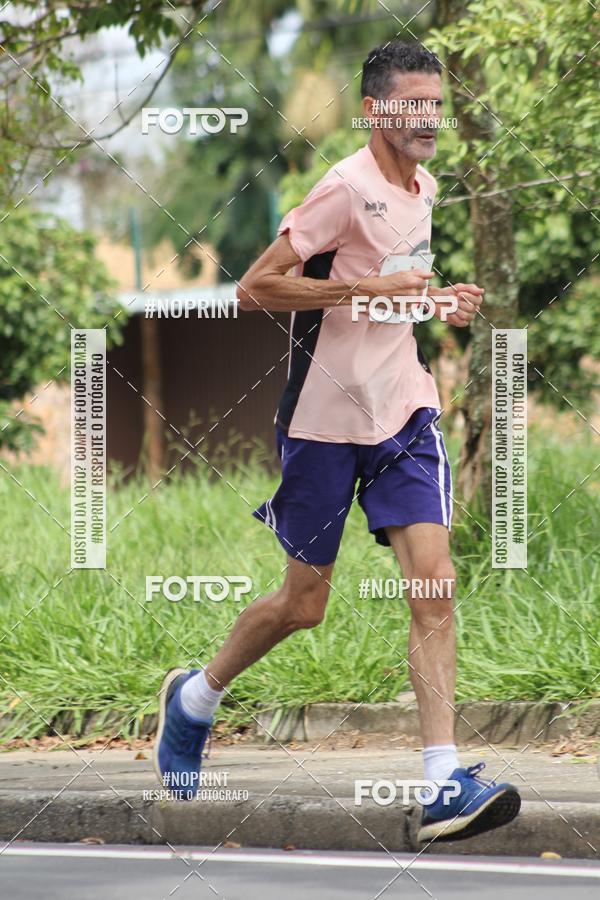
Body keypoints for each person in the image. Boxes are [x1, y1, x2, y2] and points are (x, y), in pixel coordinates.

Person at [154, 40, 521, 841]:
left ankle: (443, 780)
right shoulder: (343, 187)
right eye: (414, 105)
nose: (431, 119)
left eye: (436, 104)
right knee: (304, 604)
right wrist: (367, 285)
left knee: (434, 581)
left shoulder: (423, 187)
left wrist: (434, 301)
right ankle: (196, 696)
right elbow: (255, 288)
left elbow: (393, 295)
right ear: (376, 110)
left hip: (404, 411)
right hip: (324, 421)